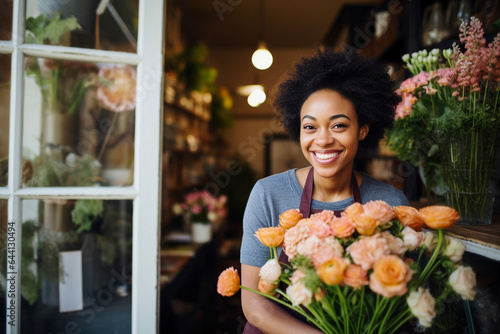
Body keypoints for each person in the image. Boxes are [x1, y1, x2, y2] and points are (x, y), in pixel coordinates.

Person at [239, 48, 410, 333]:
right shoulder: (268, 195)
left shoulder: (388, 203)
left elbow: (399, 306)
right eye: (310, 127)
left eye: (339, 125)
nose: (323, 140)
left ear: (363, 129)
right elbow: (255, 307)